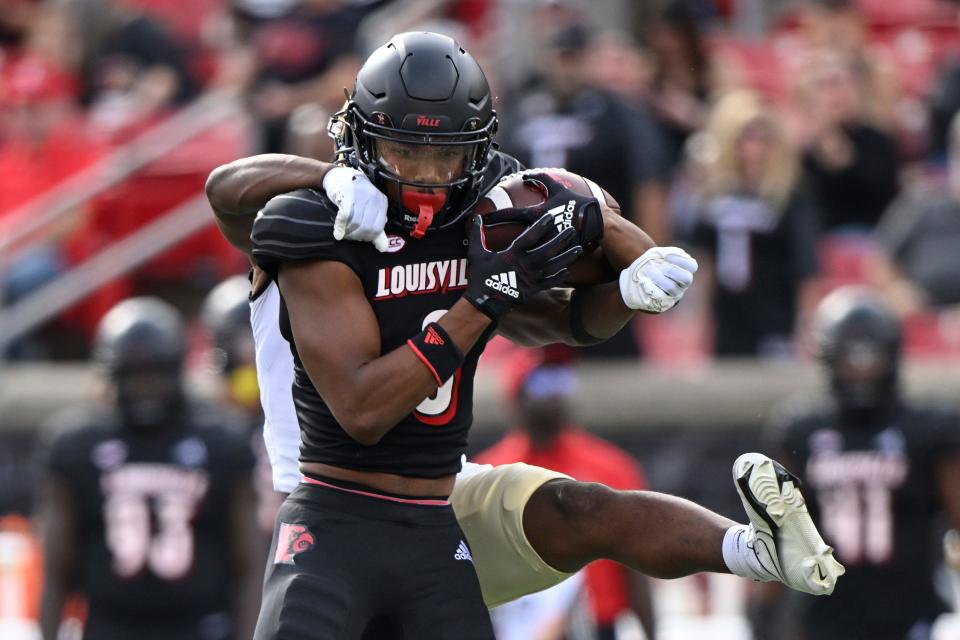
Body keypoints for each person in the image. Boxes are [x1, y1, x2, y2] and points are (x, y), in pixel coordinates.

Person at [206, 31, 841, 639]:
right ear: (362, 143)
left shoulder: (477, 211)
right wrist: (326, 177)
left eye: (447, 155)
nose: (427, 176)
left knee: (583, 508)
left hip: (439, 497)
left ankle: (755, 551)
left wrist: (627, 282)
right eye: (407, 152)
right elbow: (363, 406)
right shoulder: (319, 220)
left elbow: (556, 314)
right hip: (327, 497)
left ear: (477, 150)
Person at [37, 297, 263, 640]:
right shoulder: (75, 446)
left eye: (155, 375)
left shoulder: (221, 442)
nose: (145, 389)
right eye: (134, 377)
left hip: (202, 627)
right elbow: (55, 570)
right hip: (109, 628)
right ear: (112, 375)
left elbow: (248, 565)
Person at [760, 286, 960, 640]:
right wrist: (762, 620)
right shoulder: (801, 431)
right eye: (850, 359)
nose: (861, 370)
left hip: (910, 617)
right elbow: (776, 535)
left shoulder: (926, 431)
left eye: (869, 358)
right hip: (823, 619)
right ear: (828, 358)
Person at [477, 353, 656, 640]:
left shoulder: (612, 466)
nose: (554, 394)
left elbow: (637, 561)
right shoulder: (490, 472)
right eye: (542, 383)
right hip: (520, 627)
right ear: (516, 398)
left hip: (599, 626)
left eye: (561, 382)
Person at [685, 90, 820, 358]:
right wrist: (700, 321)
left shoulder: (790, 197)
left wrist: (805, 326)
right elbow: (704, 262)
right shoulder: (714, 195)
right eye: (747, 136)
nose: (755, 146)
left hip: (775, 315)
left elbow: (807, 267)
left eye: (763, 137)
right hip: (728, 317)